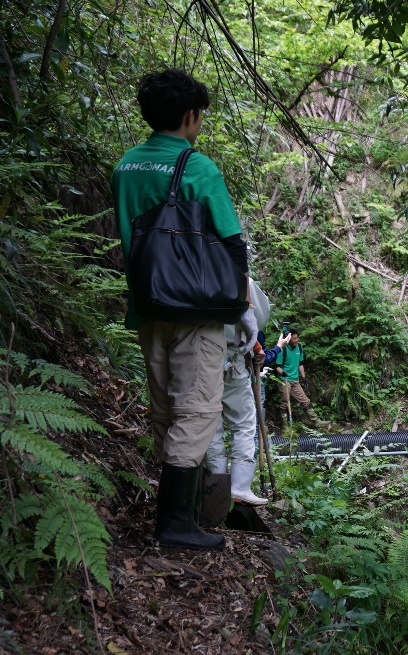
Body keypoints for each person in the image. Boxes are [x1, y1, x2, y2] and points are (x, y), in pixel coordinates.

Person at [112, 69, 258, 550]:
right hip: (195, 311)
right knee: (197, 411)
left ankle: (188, 510)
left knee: (165, 410)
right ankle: (176, 524)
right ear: (191, 115)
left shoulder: (126, 166)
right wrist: (241, 305)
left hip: (149, 305)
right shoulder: (197, 167)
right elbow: (232, 241)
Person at [204, 281, 272, 508]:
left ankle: (215, 482)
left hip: (201, 353)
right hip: (233, 355)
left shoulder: (196, 270)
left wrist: (258, 349)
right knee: (243, 422)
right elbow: (253, 319)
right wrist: (256, 347)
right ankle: (239, 487)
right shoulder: (242, 281)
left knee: (210, 420)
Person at [273, 330, 328, 427]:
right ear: (289, 339)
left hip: (295, 380)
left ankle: (316, 421)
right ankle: (285, 427)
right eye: (294, 338)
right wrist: (283, 372)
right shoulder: (283, 349)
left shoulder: (299, 348)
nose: (296, 340)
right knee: (285, 402)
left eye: (297, 338)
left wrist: (304, 377)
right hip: (284, 380)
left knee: (305, 400)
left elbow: (300, 364)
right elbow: (277, 366)